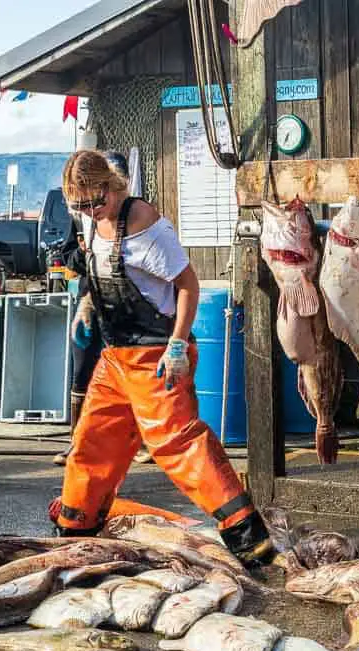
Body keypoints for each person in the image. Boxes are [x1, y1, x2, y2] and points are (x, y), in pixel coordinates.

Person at [54, 149, 273, 565]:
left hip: (154, 355)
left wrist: (177, 346)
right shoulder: (90, 218)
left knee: (178, 445)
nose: (90, 211)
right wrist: (86, 304)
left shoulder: (147, 227)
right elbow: (96, 268)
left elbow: (187, 285)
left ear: (111, 188)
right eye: (79, 206)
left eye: (95, 203)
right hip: (114, 355)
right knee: (91, 442)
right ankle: (74, 532)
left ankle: (249, 538)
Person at [54, 151, 152, 467]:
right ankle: (76, 442)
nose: (92, 208)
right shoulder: (82, 216)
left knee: (129, 378)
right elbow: (68, 256)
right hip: (90, 297)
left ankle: (137, 442)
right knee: (82, 370)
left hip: (125, 307)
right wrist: (86, 255)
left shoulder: (135, 216)